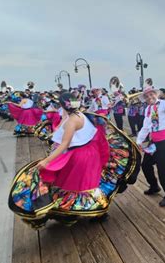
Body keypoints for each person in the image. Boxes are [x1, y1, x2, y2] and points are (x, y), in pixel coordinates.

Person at [8, 92, 141, 227]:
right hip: (90, 153)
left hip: (80, 156)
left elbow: (65, 144)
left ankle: (84, 212)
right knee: (85, 183)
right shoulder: (80, 115)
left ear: (62, 105)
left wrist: (47, 161)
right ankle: (86, 212)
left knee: (74, 184)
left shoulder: (72, 120)